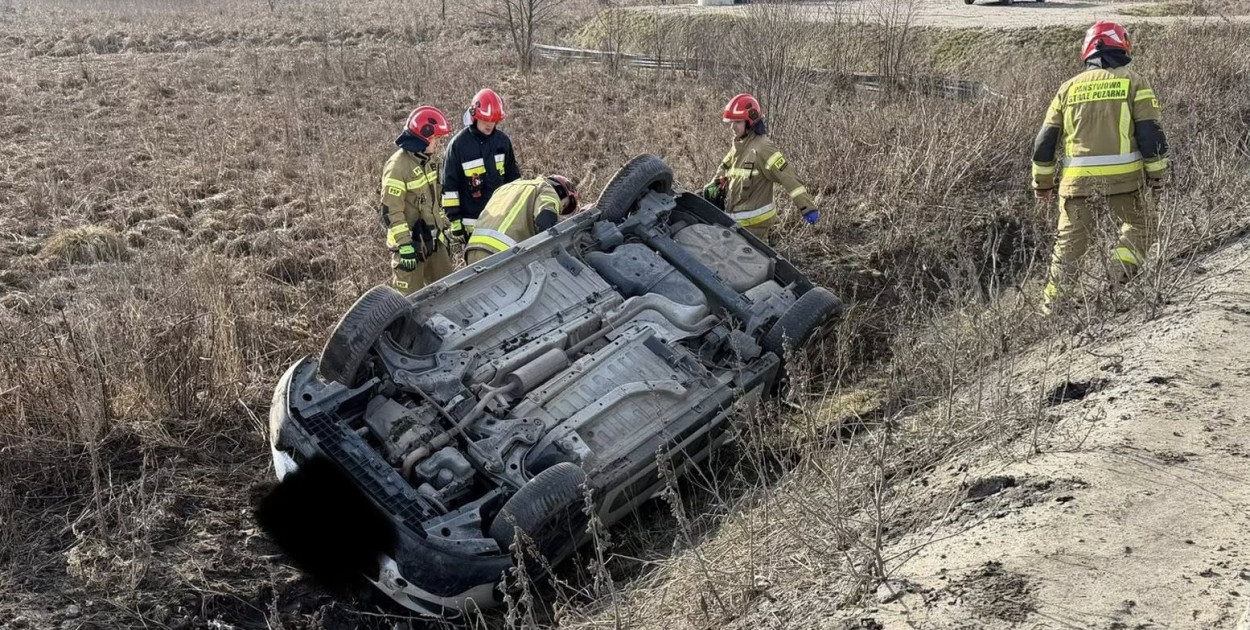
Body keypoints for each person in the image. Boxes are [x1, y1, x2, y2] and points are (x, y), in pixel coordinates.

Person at [1032, 20, 1169, 313]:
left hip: (1076, 185)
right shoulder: (1135, 82)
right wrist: (1157, 176)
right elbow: (1150, 134)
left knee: (1068, 252)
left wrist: (1042, 186)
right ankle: (1116, 281)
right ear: (1123, 46)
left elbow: (1044, 143)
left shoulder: (1067, 89)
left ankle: (1052, 310)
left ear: (1087, 52)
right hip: (1126, 183)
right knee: (1143, 226)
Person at [702, 93, 818, 241]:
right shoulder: (739, 145)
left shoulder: (763, 148)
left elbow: (788, 177)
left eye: (737, 122)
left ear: (750, 123)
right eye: (731, 122)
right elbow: (724, 167)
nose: (732, 127)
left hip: (754, 228)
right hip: (736, 225)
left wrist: (807, 208)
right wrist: (715, 183)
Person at [379, 106, 453, 295]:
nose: (437, 143)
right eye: (435, 138)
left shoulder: (427, 161)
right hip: (410, 248)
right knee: (410, 302)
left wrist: (443, 225)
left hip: (433, 243)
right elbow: (391, 210)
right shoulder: (397, 167)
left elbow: (433, 200)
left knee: (449, 292)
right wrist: (404, 245)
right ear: (423, 137)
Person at [441, 88, 522, 243]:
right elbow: (449, 187)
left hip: (501, 217)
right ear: (475, 116)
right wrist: (455, 220)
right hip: (472, 222)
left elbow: (513, 175)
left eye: (493, 121)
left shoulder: (502, 141)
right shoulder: (459, 145)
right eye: (486, 120)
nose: (489, 125)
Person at [464, 175, 579, 264]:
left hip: (473, 251)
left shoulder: (505, 187)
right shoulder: (546, 188)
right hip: (502, 253)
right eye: (563, 205)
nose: (559, 209)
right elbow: (544, 221)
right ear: (560, 191)